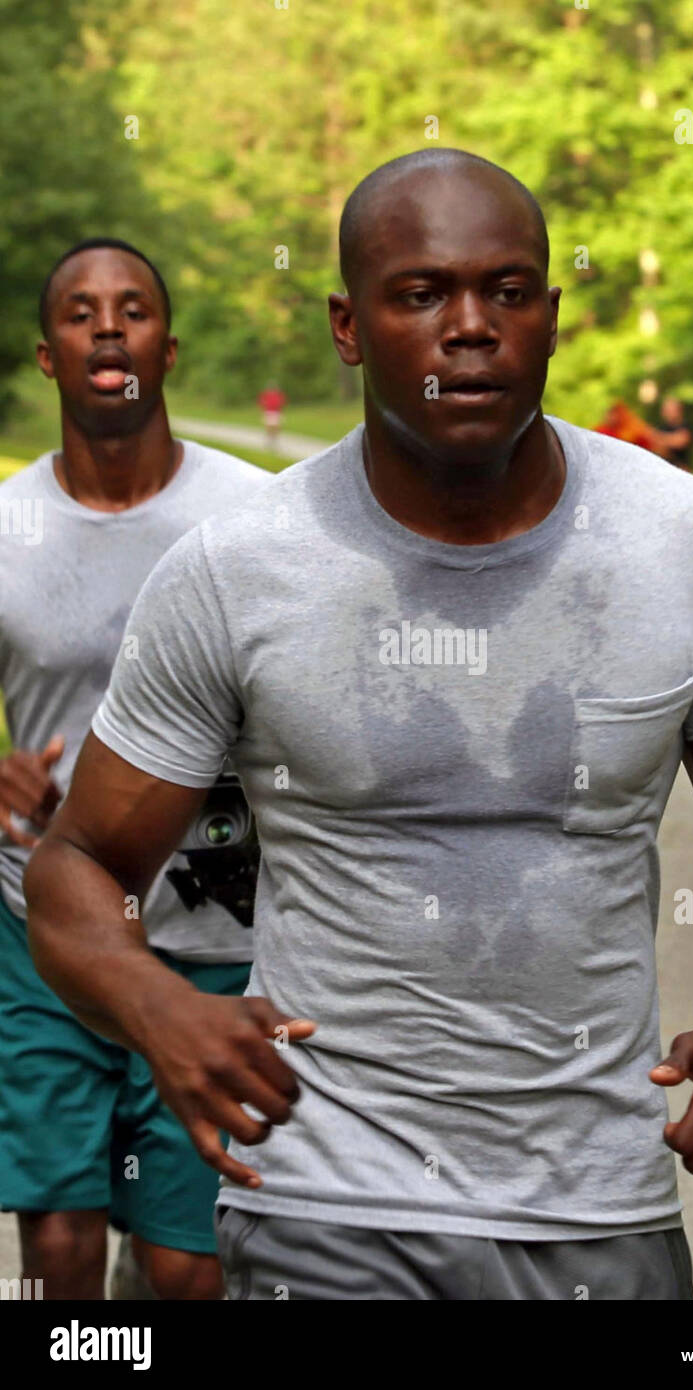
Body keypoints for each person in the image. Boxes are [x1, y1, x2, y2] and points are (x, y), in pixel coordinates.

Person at [25, 153, 693, 1302]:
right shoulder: (237, 570)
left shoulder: (689, 543)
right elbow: (79, 862)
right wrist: (159, 1005)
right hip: (325, 1195)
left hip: (595, 1205)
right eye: (419, 294)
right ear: (347, 326)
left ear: (551, 319)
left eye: (507, 291)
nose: (470, 328)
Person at [0, 238, 272, 1299]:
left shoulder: (255, 518)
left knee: (181, 1270)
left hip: (215, 933)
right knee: (56, 1253)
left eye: (132, 310)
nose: (108, 327)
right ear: (46, 356)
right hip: (43, 931)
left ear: (167, 346)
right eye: (80, 312)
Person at [654, 395, 693, 472]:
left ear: (679, 411)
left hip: (681, 469)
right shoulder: (662, 428)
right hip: (664, 470)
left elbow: (681, 441)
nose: (667, 413)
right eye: (665, 410)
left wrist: (659, 438)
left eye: (670, 410)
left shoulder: (685, 426)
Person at [258, 382, 287, 450]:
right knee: (269, 427)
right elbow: (261, 401)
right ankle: (269, 441)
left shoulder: (279, 394)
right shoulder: (266, 394)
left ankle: (275, 441)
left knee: (276, 427)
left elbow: (282, 402)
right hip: (268, 412)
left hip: (277, 412)